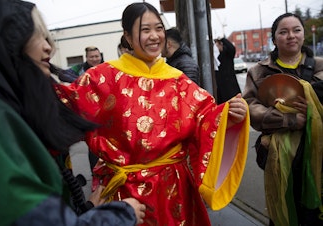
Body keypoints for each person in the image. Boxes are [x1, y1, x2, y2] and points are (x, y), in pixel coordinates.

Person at [54, 2, 250, 225]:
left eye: (159, 28)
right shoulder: (102, 77)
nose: (155, 36)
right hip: (123, 193)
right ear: (127, 36)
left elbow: (206, 117)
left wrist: (229, 115)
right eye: (145, 30)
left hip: (172, 190)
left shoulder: (179, 81)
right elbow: (65, 105)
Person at [0, 0, 146, 225]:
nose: (49, 46)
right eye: (37, 35)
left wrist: (85, 209)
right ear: (8, 39)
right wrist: (119, 215)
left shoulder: (12, 107)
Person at [242, 13, 323, 226]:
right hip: (278, 156)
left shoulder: (320, 66)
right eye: (283, 32)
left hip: (317, 152)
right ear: (274, 38)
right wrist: (289, 119)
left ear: (304, 35)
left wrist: (313, 110)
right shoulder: (258, 71)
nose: (291, 36)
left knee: (315, 209)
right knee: (283, 206)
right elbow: (250, 109)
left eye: (296, 30)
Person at [214, 37, 241, 104]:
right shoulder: (214, 59)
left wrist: (222, 39)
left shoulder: (227, 54)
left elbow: (232, 48)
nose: (216, 48)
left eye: (217, 45)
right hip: (220, 91)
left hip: (231, 89)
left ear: (221, 45)